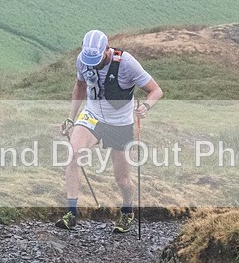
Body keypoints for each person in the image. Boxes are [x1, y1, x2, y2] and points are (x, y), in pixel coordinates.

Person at [56, 29, 163, 232]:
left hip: (120, 123)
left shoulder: (126, 63)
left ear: (107, 49)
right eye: (89, 59)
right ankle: (71, 213)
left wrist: (146, 107)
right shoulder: (83, 60)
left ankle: (126, 212)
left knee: (122, 179)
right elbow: (80, 86)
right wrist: (71, 117)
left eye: (96, 59)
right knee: (74, 154)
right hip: (92, 116)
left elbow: (156, 90)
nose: (92, 63)